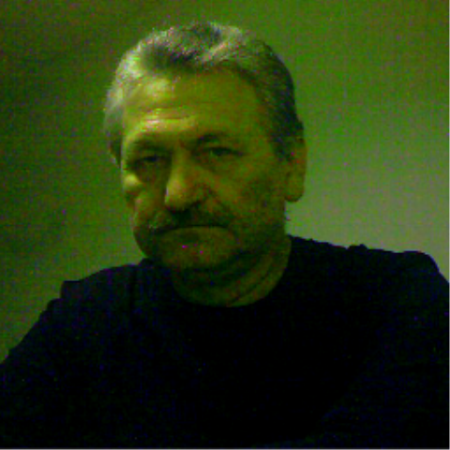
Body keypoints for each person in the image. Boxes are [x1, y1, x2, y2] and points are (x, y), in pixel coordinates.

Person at [1, 21, 448, 448]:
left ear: (292, 165)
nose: (178, 195)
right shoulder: (83, 323)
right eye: (149, 160)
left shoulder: (399, 300)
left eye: (216, 151)